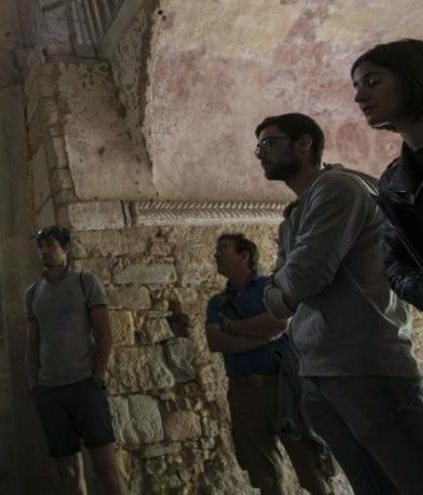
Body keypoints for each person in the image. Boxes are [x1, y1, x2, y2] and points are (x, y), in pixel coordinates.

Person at [255, 112, 423, 494]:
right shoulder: (295, 216)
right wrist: (286, 286)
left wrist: (285, 283)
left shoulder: (338, 189)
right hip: (320, 368)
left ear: (305, 143)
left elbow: (303, 278)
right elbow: (277, 303)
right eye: (258, 146)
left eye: (269, 142)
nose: (260, 153)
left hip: (364, 365)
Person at [205, 233, 333, 495]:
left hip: (283, 385)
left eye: (223, 248)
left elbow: (279, 323)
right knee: (263, 471)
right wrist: (261, 337)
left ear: (244, 255)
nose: (216, 254)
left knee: (307, 460)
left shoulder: (270, 288)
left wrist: (233, 327)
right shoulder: (217, 303)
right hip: (244, 391)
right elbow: (216, 342)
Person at [25, 225, 127, 495]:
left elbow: (104, 333)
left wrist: (97, 377)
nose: (44, 251)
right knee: (67, 472)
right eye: (41, 246)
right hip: (50, 390)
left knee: (106, 467)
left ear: (66, 248)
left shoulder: (85, 282)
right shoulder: (33, 293)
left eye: (51, 245)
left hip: (84, 384)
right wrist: (34, 385)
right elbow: (33, 343)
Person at [351, 39, 423, 310]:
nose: (359, 97)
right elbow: (395, 264)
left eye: (372, 82)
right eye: (357, 87)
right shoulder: (393, 181)